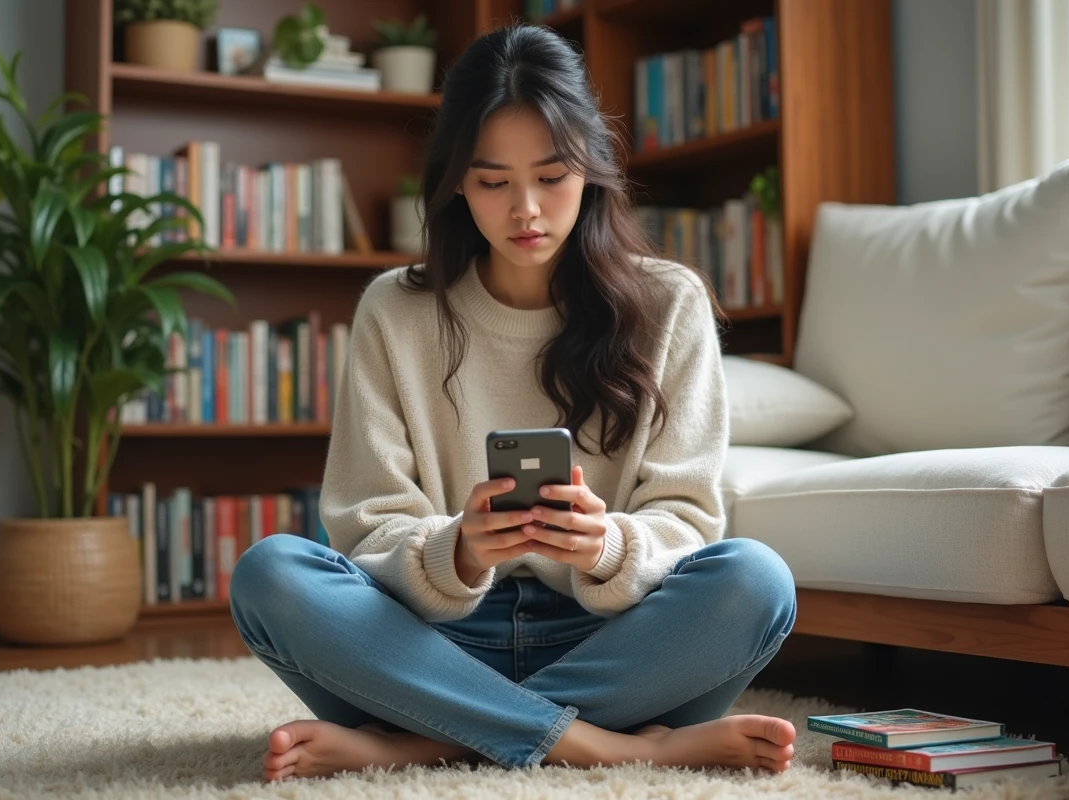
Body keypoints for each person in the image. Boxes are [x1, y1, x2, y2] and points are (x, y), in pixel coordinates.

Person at [228, 23, 798, 783]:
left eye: (553, 175)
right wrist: (460, 550)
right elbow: (366, 524)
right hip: (435, 641)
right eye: (493, 181)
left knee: (757, 582)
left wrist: (603, 545)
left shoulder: (670, 303)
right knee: (272, 573)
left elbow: (688, 520)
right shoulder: (396, 312)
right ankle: (616, 746)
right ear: (457, 182)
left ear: (593, 167)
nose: (525, 209)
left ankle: (422, 741)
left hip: (611, 640)